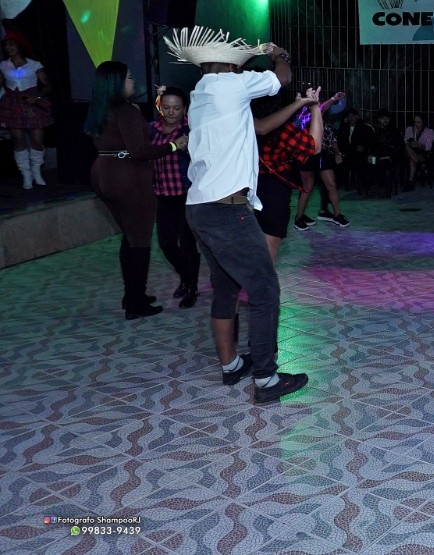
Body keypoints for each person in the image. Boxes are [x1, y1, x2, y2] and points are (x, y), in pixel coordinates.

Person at [164, 25, 307, 404]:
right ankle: (266, 378)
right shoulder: (231, 85)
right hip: (226, 211)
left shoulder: (201, 94)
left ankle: (231, 366)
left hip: (198, 207)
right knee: (264, 290)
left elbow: (255, 127)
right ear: (230, 65)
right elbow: (282, 78)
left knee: (226, 287)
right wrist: (279, 54)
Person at [84, 62, 181, 319]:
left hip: (103, 171)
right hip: (128, 175)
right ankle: (136, 303)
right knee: (139, 239)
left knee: (129, 236)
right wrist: (174, 146)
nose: (133, 81)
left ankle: (132, 295)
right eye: (128, 77)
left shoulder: (100, 107)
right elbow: (139, 151)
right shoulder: (125, 110)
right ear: (116, 82)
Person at [252, 87, 323, 263]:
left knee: (249, 243)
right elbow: (314, 147)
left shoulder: (240, 122)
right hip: (273, 188)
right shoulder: (280, 129)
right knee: (268, 246)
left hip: (243, 186)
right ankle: (263, 280)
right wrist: (314, 107)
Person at [149, 85, 200, 309]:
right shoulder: (151, 130)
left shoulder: (190, 130)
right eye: (167, 107)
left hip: (186, 194)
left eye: (176, 108)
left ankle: (191, 287)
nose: (171, 112)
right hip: (162, 193)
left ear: (185, 109)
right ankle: (186, 277)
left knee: (188, 243)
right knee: (166, 243)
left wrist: (188, 148)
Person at [0, 31, 52, 189]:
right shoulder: (3, 65)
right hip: (13, 104)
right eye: (6, 45)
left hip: (32, 103)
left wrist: (37, 97)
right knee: (18, 140)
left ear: (19, 46)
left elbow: (48, 85)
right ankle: (26, 174)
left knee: (37, 140)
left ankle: (37, 171)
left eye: (12, 44)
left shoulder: (34, 64)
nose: (9, 48)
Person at [293, 92, 349, 229]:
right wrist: (334, 98)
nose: (320, 105)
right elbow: (320, 109)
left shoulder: (323, 121)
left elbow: (332, 139)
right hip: (308, 155)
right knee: (307, 188)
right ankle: (299, 218)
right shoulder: (304, 117)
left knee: (331, 185)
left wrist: (337, 153)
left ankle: (337, 215)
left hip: (323, 155)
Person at [370, 108, 404, 196]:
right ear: (379, 119)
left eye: (387, 118)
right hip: (379, 156)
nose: (385, 120)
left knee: (380, 164)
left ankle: (382, 187)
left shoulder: (395, 131)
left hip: (391, 158)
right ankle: (372, 186)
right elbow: (373, 146)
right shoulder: (377, 132)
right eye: (382, 118)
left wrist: (390, 156)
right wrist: (371, 155)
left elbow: (399, 147)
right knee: (367, 163)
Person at [403, 113, 434, 190]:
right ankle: (411, 180)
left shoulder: (429, 131)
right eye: (415, 122)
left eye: (418, 122)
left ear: (423, 121)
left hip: (422, 153)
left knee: (412, 159)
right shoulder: (409, 129)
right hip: (409, 151)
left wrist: (420, 145)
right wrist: (410, 143)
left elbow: (428, 146)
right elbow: (405, 141)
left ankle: (410, 182)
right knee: (406, 146)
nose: (416, 124)